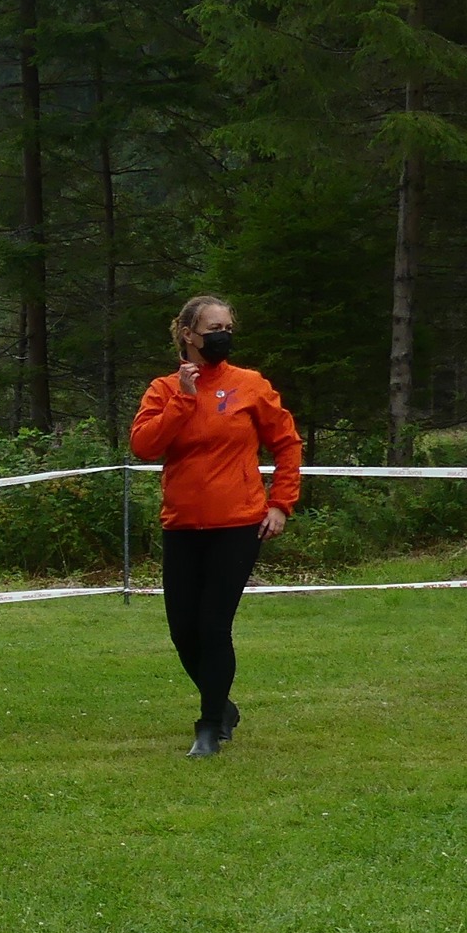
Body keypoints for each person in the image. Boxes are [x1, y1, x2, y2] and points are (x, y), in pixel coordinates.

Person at [128, 294, 302, 758]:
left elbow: (287, 444)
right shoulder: (164, 390)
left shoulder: (249, 384)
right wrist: (183, 400)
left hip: (237, 524)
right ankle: (223, 706)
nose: (223, 336)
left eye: (228, 328)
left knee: (213, 625)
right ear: (189, 335)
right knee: (182, 630)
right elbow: (144, 446)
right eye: (213, 329)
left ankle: (209, 727)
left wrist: (281, 503)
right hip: (182, 525)